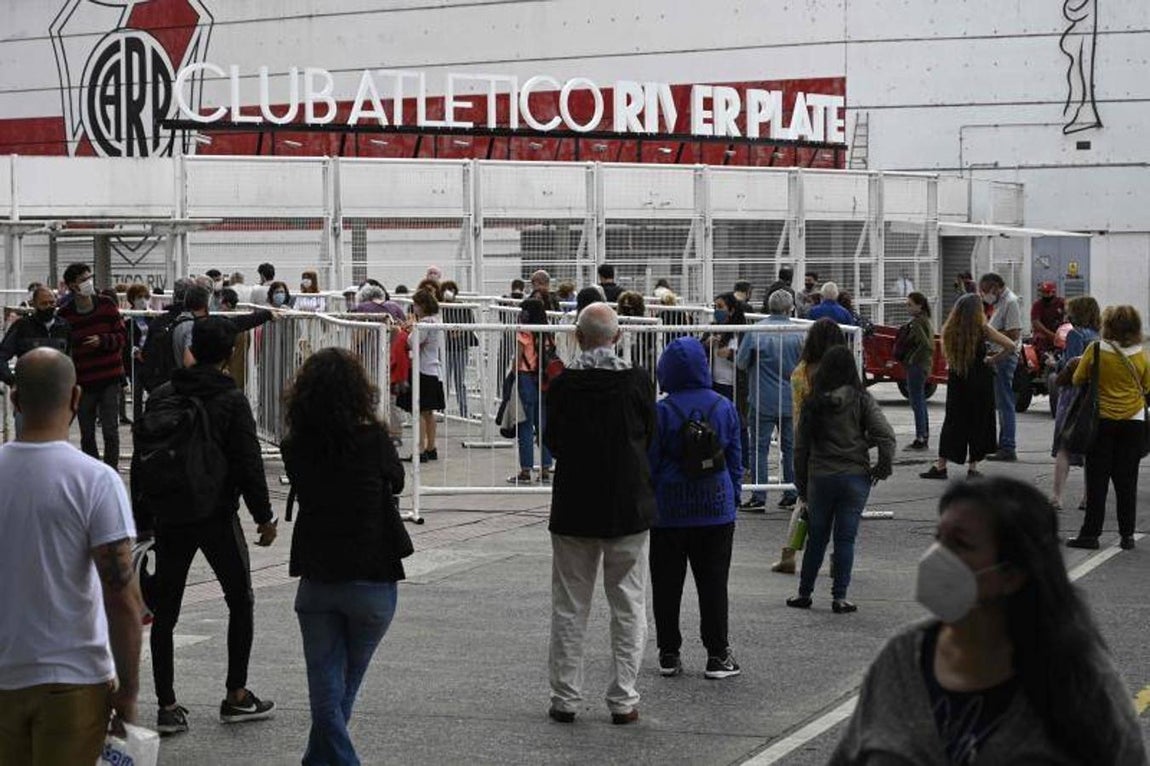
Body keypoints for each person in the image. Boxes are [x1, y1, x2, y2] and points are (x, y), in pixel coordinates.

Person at [830, 478, 1148, 765]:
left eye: (960, 544)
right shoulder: (901, 659)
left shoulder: (1082, 680)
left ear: (1012, 573)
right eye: (938, 538)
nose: (936, 556)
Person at [133, 317, 278, 735]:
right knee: (240, 600)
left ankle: (167, 704)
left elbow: (145, 459)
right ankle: (236, 694)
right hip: (215, 513)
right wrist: (263, 517)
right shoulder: (231, 399)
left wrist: (143, 519)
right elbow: (248, 462)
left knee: (166, 612)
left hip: (170, 515)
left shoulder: (162, 394)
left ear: (191, 347)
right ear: (230, 353)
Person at [0, 348, 143, 763]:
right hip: (74, 678)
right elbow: (123, 598)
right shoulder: (96, 481)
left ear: (15, 399)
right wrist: (128, 693)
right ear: (77, 398)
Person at [282, 348, 409, 765]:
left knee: (324, 690)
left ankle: (319, 761)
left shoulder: (295, 445)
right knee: (344, 688)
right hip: (373, 573)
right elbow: (397, 481)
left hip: (318, 576)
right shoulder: (374, 440)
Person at [543, 303, 657, 725]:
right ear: (619, 336)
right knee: (628, 603)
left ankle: (565, 698)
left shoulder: (563, 385)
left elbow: (553, 438)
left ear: (578, 336)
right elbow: (650, 433)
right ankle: (623, 700)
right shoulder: (637, 382)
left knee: (570, 605)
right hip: (627, 504)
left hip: (574, 505)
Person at [648, 337, 742, 679]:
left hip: (669, 511)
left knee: (666, 584)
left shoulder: (661, 410)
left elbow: (651, 462)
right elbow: (734, 458)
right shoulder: (723, 406)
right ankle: (718, 654)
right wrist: (734, 496)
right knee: (714, 583)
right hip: (715, 508)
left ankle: (668, 653)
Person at [787, 345, 894, 613]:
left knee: (817, 538)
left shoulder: (813, 402)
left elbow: (800, 450)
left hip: (820, 478)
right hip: (855, 478)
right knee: (845, 539)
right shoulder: (862, 399)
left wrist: (802, 486)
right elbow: (886, 435)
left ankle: (804, 593)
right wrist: (882, 467)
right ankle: (840, 597)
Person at [1066, 305, 1150, 551]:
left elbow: (1077, 379)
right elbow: (1146, 387)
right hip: (1133, 424)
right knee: (1127, 481)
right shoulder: (1141, 355)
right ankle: (1127, 536)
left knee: (1097, 481)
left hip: (1101, 422)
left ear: (1108, 325)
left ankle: (1090, 534)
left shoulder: (1096, 350)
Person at [772, 317, 846, 574]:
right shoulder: (842, 371)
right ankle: (839, 558)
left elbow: (798, 411)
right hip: (841, 443)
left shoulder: (801, 371)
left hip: (808, 442)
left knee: (805, 500)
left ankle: (789, 554)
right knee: (841, 507)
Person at [920, 294, 1016, 480]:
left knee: (954, 421)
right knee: (978, 421)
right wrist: (992, 359)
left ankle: (941, 466)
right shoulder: (983, 329)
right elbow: (1010, 345)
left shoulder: (949, 329)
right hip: (980, 380)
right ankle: (973, 467)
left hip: (958, 379)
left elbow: (947, 356)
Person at [736, 289, 803, 511]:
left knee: (759, 449)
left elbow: (742, 362)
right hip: (791, 400)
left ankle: (758, 495)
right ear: (790, 308)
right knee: (791, 448)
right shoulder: (800, 333)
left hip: (762, 398)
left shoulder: (757, 331)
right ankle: (792, 492)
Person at [58, 263, 127, 470]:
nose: (89, 283)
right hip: (83, 382)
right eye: (83, 280)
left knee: (110, 431)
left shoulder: (106, 305)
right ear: (72, 286)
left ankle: (111, 472)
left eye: (90, 277)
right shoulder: (65, 315)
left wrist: (103, 340)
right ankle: (92, 472)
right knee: (87, 433)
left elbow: (122, 336)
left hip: (109, 378)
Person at [1050, 295, 1101, 510]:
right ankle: (1088, 497)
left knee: (1065, 445)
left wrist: (1055, 363)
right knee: (1089, 447)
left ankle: (1056, 497)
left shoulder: (1074, 334)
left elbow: (1071, 367)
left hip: (1072, 395)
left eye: (1070, 310)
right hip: (1092, 395)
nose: (1067, 314)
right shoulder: (1098, 336)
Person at [0, 286, 71, 436]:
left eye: (52, 303)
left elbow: (72, 358)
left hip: (56, 395)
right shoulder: (22, 327)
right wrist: (12, 380)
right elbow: (2, 356)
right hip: (27, 394)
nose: (49, 307)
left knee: (56, 441)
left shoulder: (64, 326)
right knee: (26, 438)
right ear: (34, 304)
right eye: (44, 304)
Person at [508, 298, 554, 485]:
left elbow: (517, 360)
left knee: (525, 425)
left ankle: (526, 470)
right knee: (543, 425)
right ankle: (545, 468)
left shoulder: (524, 331)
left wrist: (512, 374)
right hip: (544, 379)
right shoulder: (548, 333)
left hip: (526, 377)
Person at [979, 273, 1023, 462]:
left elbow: (1013, 333)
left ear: (996, 286)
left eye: (987, 290)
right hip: (999, 355)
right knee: (1002, 402)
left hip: (1005, 357)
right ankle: (1003, 442)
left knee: (1005, 403)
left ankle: (1008, 446)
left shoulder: (1010, 302)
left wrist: (991, 335)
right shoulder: (1000, 302)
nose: (985, 295)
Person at [399, 289, 445, 463]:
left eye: (416, 305)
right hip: (433, 369)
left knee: (419, 410)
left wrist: (408, 328)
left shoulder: (425, 323)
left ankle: (420, 449)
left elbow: (412, 342)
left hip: (422, 370)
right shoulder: (437, 320)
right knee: (429, 412)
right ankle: (431, 447)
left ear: (423, 305)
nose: (415, 308)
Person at [902, 292, 935, 451]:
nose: (907, 307)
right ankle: (924, 435)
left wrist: (911, 359)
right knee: (920, 401)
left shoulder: (917, 323)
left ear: (919, 305)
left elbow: (926, 345)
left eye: (910, 304)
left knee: (917, 402)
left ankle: (920, 438)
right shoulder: (925, 320)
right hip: (923, 365)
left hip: (917, 366)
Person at [440, 280, 476, 418]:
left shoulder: (464, 308)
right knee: (445, 380)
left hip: (461, 348)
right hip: (446, 349)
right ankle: (442, 410)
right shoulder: (441, 308)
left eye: (451, 290)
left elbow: (471, 325)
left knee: (460, 381)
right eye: (446, 290)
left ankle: (463, 411)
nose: (449, 293)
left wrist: (460, 332)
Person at [1030, 281, 1066, 356]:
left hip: (1059, 334)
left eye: (1047, 292)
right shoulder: (1037, 305)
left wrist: (1060, 334)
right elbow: (1036, 322)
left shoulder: (1061, 303)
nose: (1045, 295)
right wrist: (1050, 334)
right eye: (1043, 292)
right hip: (1044, 335)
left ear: (1053, 292)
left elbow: (1068, 318)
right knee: (1040, 339)